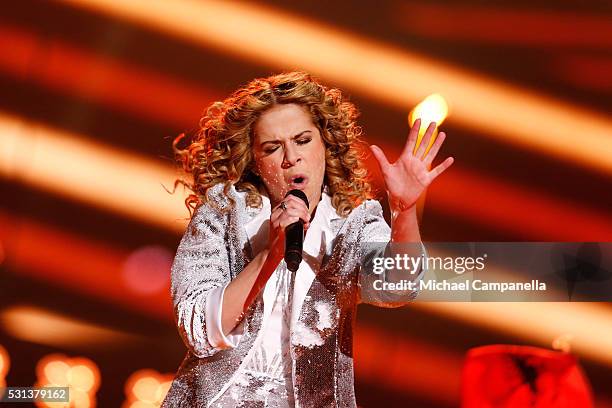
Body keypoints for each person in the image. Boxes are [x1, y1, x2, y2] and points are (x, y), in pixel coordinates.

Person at [162, 71, 453, 407]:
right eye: (273, 148)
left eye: (302, 140)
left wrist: (404, 210)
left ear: (325, 145)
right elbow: (200, 331)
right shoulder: (223, 212)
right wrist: (269, 254)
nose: (291, 157)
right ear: (255, 162)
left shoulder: (351, 225)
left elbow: (397, 286)